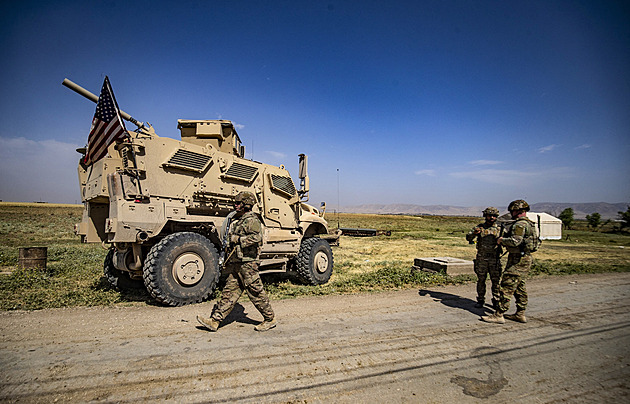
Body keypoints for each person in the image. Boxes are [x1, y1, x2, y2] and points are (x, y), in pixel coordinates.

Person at [197, 191, 276, 332]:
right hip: (238, 262)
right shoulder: (240, 220)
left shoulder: (252, 220)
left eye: (238, 203)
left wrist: (238, 240)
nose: (235, 205)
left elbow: (257, 238)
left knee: (256, 292)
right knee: (229, 292)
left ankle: (270, 319)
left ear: (246, 204)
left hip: (248, 263)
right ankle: (215, 321)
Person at [482, 199, 537, 324]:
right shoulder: (530, 223)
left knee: (507, 286)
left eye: (512, 211)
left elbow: (515, 241)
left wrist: (501, 240)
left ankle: (499, 314)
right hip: (525, 258)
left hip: (517, 260)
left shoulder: (520, 225)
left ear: (516, 211)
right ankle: (520, 313)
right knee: (519, 287)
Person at [466, 207, 502, 309]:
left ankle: (496, 300)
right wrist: (474, 233)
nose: (491, 217)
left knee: (496, 281)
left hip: (495, 259)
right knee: (481, 280)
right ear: (485, 216)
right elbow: (468, 238)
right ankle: (480, 300)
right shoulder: (480, 228)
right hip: (482, 259)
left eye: (494, 216)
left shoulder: (500, 229)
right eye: (489, 215)